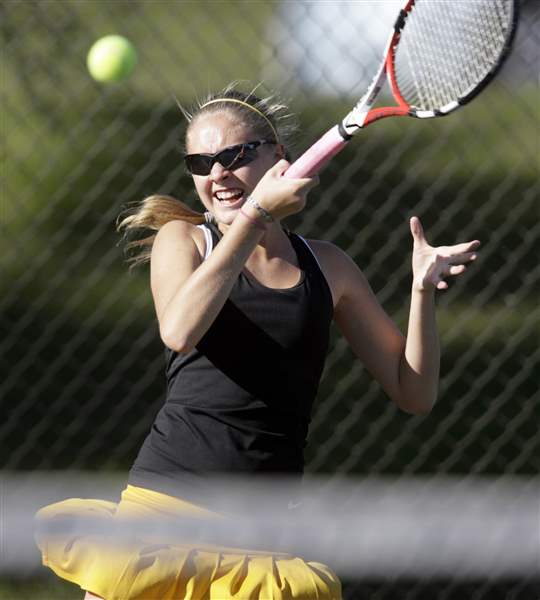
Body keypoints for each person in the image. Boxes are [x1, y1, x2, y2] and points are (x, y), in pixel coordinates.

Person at [35, 84, 480, 600]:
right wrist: (256, 218)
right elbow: (179, 330)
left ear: (278, 158)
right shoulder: (184, 240)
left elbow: (414, 392)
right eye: (201, 162)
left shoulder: (327, 266)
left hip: (264, 537)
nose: (218, 174)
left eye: (235, 155)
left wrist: (422, 291)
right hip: (164, 515)